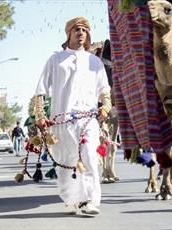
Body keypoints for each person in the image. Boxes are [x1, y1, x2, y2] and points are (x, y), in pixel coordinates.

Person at [34, 17, 111, 216]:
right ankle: (71, 200)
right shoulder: (55, 60)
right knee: (67, 163)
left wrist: (106, 106)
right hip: (62, 123)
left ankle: (89, 201)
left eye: (84, 30)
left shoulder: (95, 62)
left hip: (88, 120)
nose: (81, 33)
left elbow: (104, 90)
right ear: (69, 33)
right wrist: (40, 114)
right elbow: (41, 90)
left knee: (89, 157)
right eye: (77, 29)